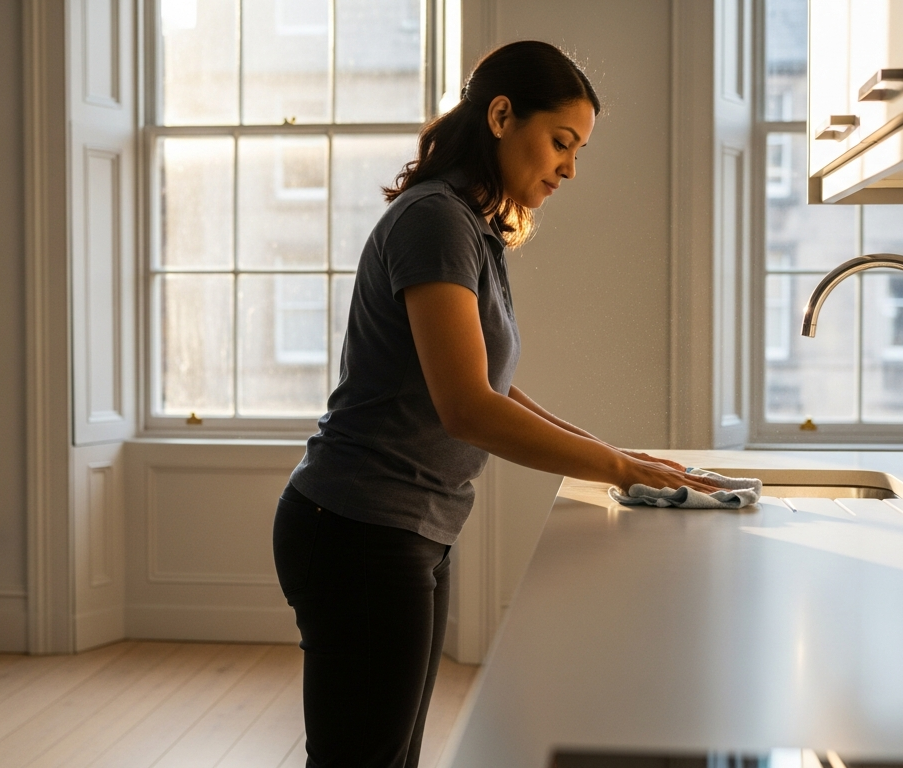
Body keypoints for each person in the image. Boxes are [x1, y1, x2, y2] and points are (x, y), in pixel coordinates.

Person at [272, 40, 721, 768]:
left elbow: (494, 388)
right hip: (356, 529)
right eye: (561, 142)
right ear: (503, 115)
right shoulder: (435, 223)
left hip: (403, 528)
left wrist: (623, 458)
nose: (570, 168)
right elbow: (468, 409)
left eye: (578, 150)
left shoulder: (473, 229)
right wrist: (615, 468)